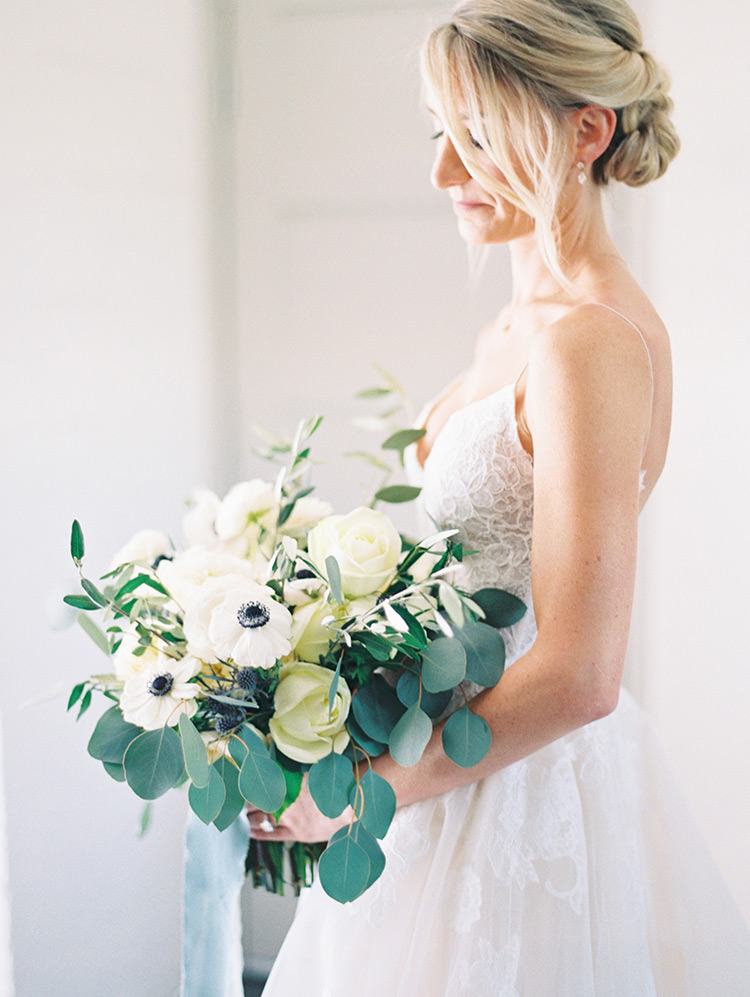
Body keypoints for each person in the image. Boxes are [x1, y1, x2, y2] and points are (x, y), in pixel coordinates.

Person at [249, 1, 750, 992]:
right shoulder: (517, 328)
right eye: (441, 132)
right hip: (455, 767)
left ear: (586, 130)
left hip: (518, 794)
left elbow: (579, 673)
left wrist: (358, 794)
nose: (444, 172)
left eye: (477, 137)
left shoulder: (591, 340)